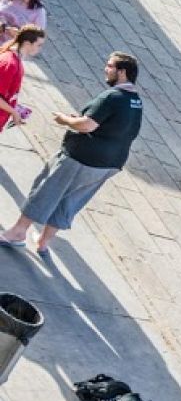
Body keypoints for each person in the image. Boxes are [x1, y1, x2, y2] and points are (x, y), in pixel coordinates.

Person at [2, 52, 142, 254]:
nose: (105, 69)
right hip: (109, 164)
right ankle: (44, 242)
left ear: (122, 72)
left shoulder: (112, 97)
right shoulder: (136, 101)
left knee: (47, 189)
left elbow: (87, 125)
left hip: (82, 157)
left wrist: (65, 120)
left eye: (110, 66)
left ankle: (17, 232)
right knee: (71, 201)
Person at [0, 24, 44, 132]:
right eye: (39, 45)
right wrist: (14, 112)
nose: (40, 49)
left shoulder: (15, 59)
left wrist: (15, 107)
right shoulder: (10, 64)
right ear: (27, 43)